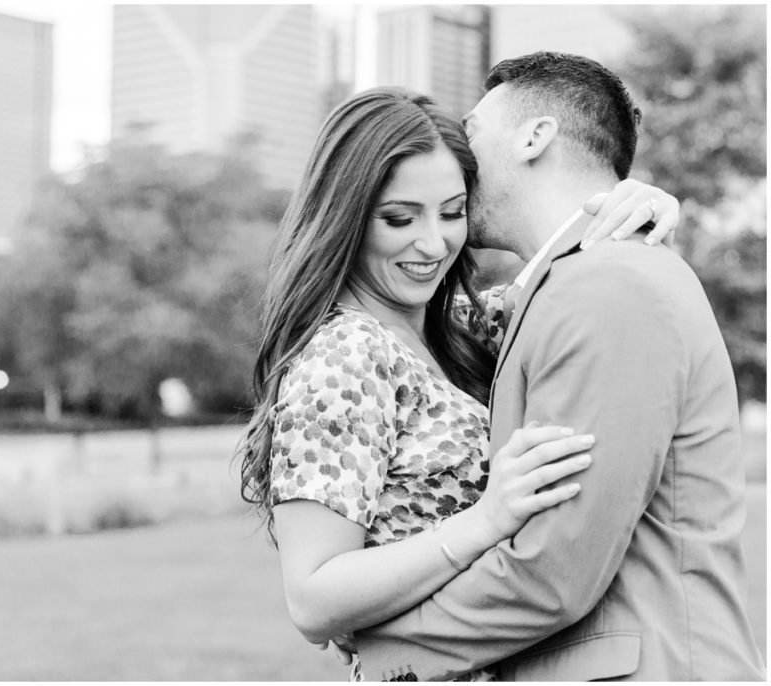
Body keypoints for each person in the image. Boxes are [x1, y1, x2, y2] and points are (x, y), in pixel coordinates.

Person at [236, 83, 683, 681]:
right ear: (343, 216)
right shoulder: (344, 355)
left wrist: (644, 203)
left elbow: (584, 293)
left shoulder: (464, 326)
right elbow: (314, 597)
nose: (433, 243)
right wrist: (485, 520)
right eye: (399, 218)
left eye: (452, 212)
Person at [352, 52, 765, 681]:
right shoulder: (562, 287)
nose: (457, 159)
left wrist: (380, 645)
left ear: (535, 136)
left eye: (471, 131)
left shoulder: (606, 284)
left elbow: (553, 570)